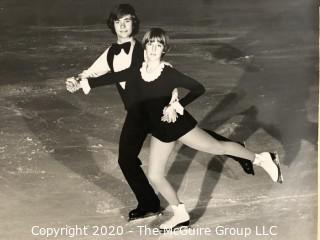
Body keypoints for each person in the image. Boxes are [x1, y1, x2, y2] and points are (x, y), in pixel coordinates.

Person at [72, 28, 283, 231]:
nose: (154, 48)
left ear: (164, 49)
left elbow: (198, 88)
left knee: (217, 147)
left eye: (159, 44)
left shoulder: (168, 72)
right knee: (155, 176)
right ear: (144, 46)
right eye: (151, 43)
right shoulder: (137, 70)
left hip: (178, 125)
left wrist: (177, 104)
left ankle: (262, 158)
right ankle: (180, 213)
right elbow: (112, 77)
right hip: (160, 130)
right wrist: (83, 81)